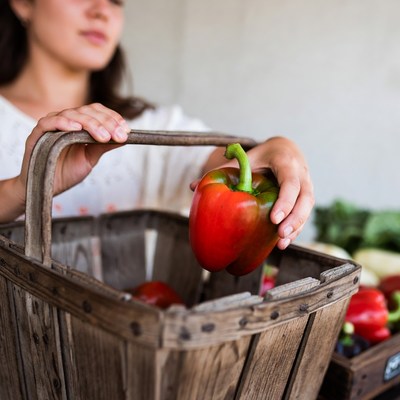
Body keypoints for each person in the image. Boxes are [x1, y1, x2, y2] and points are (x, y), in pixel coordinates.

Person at [0, 0, 314, 251]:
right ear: (23, 3)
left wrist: (278, 148)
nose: (102, 11)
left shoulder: (153, 127)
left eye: (115, 1)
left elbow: (235, 164)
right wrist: (23, 189)